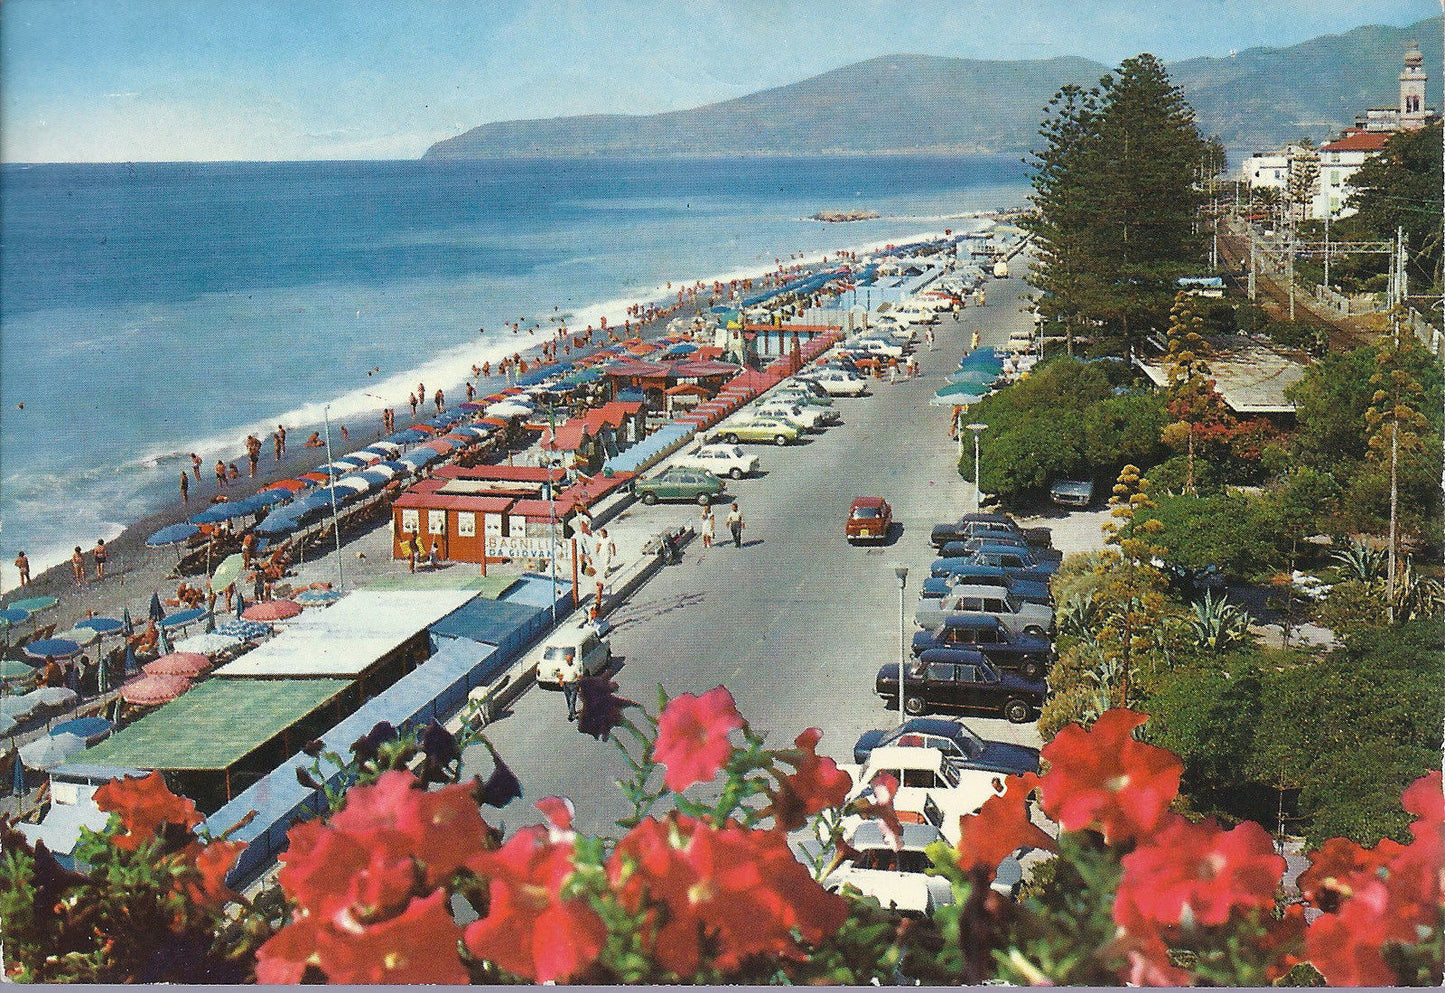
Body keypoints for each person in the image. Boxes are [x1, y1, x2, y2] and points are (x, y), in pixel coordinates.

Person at [559, 655, 581, 722]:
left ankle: (571, 715)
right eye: (567, 660)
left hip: (573, 685)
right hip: (566, 685)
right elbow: (560, 675)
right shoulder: (564, 667)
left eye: (569, 660)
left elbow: (579, 675)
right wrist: (561, 682)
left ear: (572, 660)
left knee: (572, 700)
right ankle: (572, 712)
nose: (568, 661)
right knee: (568, 700)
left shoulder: (575, 667)